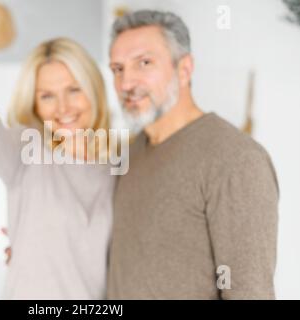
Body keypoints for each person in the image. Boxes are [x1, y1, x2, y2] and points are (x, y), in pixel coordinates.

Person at [106, 10, 279, 299]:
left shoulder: (235, 160)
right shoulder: (130, 152)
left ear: (184, 70)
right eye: (117, 69)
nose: (126, 83)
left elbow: (249, 292)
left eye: (144, 63)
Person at [0, 38, 116, 299]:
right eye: (47, 96)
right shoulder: (27, 149)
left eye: (74, 89)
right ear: (35, 104)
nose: (63, 107)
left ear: (94, 90)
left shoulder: (118, 164)